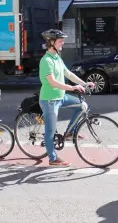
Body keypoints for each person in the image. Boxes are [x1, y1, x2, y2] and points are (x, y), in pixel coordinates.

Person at [38, 29, 95, 167]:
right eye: (60, 41)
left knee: (82, 106)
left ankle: (70, 133)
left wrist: (83, 83)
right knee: (50, 131)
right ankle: (53, 159)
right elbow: (52, 82)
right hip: (50, 100)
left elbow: (68, 74)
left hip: (61, 96)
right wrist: (73, 88)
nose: (62, 43)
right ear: (51, 42)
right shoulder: (46, 61)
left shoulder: (57, 58)